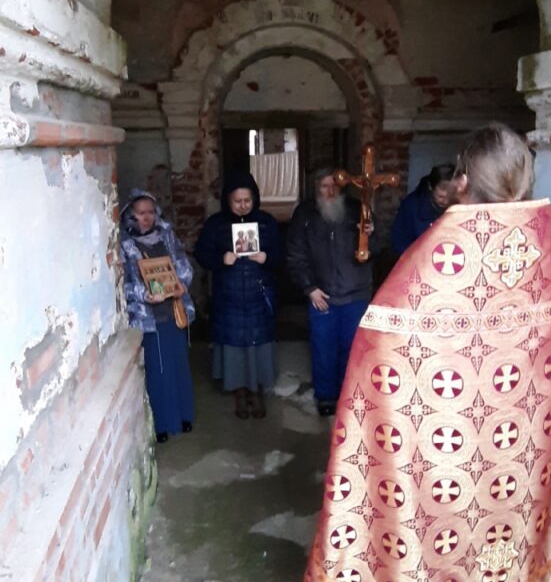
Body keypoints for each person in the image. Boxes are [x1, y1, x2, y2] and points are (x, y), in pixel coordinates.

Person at [299, 123, 551, 582]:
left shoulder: (442, 252)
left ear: (464, 180)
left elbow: (382, 344)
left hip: (441, 449)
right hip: (518, 450)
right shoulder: (548, 253)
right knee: (504, 528)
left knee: (435, 531)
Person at [286, 166, 383, 417]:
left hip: (355, 292)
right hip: (322, 293)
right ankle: (326, 396)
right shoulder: (305, 214)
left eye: (335, 186)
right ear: (316, 188)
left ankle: (349, 393)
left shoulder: (358, 210)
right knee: (323, 348)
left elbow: (376, 249)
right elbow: (296, 254)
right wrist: (309, 288)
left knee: (353, 347)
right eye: (324, 186)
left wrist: (371, 235)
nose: (330, 191)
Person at [194, 174, 280, 419]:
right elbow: (201, 254)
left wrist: (266, 258)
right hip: (228, 296)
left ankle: (257, 391)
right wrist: (221, 259)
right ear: (227, 200)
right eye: (237, 201)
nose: (243, 205)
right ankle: (239, 392)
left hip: (258, 293)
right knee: (233, 346)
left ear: (255, 199)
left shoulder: (266, 223)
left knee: (258, 344)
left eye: (247, 200)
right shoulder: (216, 224)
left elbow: (281, 254)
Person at [121, 190, 196, 444]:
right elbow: (121, 285)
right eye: (141, 213)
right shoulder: (125, 245)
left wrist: (182, 282)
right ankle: (162, 424)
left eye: (151, 212)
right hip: (149, 318)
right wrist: (144, 294)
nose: (147, 218)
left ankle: (184, 416)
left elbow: (183, 265)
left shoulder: (166, 236)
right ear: (130, 215)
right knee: (158, 369)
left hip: (174, 310)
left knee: (178, 365)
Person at [390, 163, 454, 255]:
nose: (446, 201)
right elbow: (399, 239)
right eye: (441, 197)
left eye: (450, 197)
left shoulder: (460, 207)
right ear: (430, 187)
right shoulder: (412, 205)